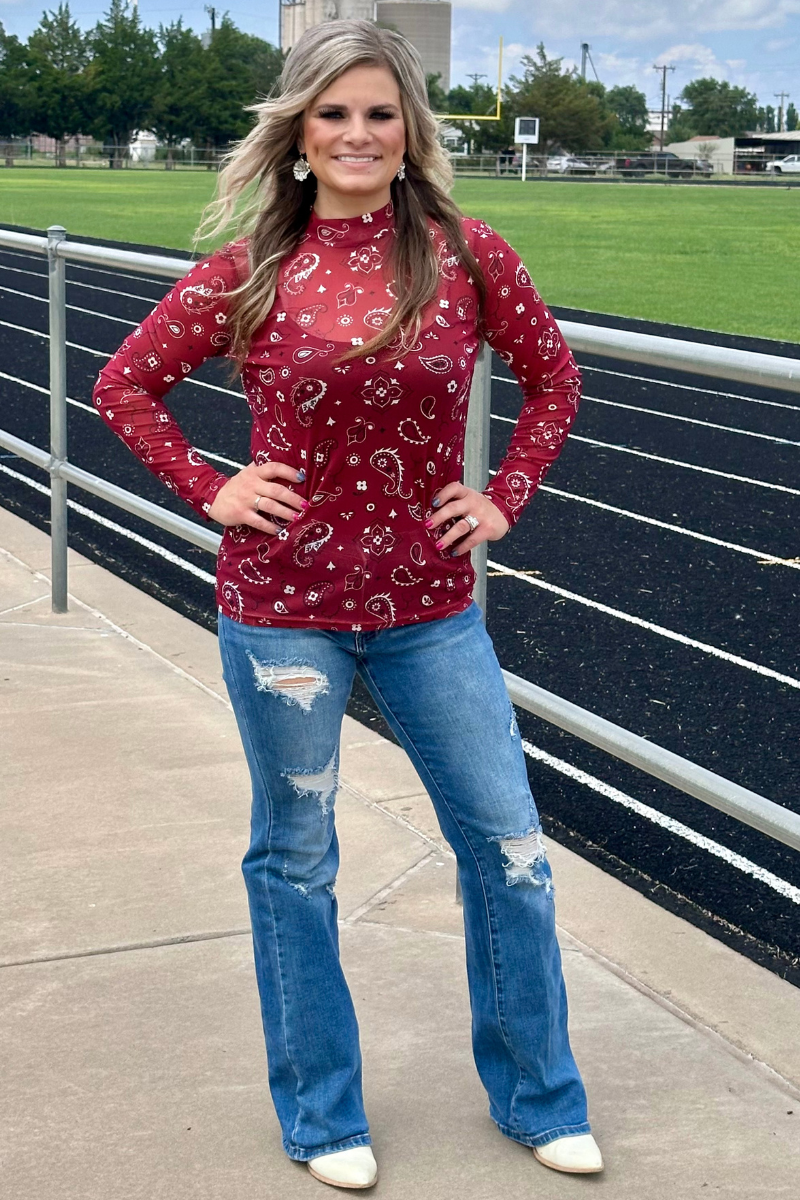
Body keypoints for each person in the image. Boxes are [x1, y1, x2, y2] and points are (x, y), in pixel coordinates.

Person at [93, 18, 603, 1190]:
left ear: (410, 131)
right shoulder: (249, 270)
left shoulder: (470, 255)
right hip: (285, 614)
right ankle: (322, 1117)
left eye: (380, 112)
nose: (358, 133)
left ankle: (537, 1097)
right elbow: (124, 387)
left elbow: (554, 382)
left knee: (511, 850)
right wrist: (210, 486)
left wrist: (502, 497)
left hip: (431, 611)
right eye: (334, 113)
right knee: (295, 860)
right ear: (298, 134)